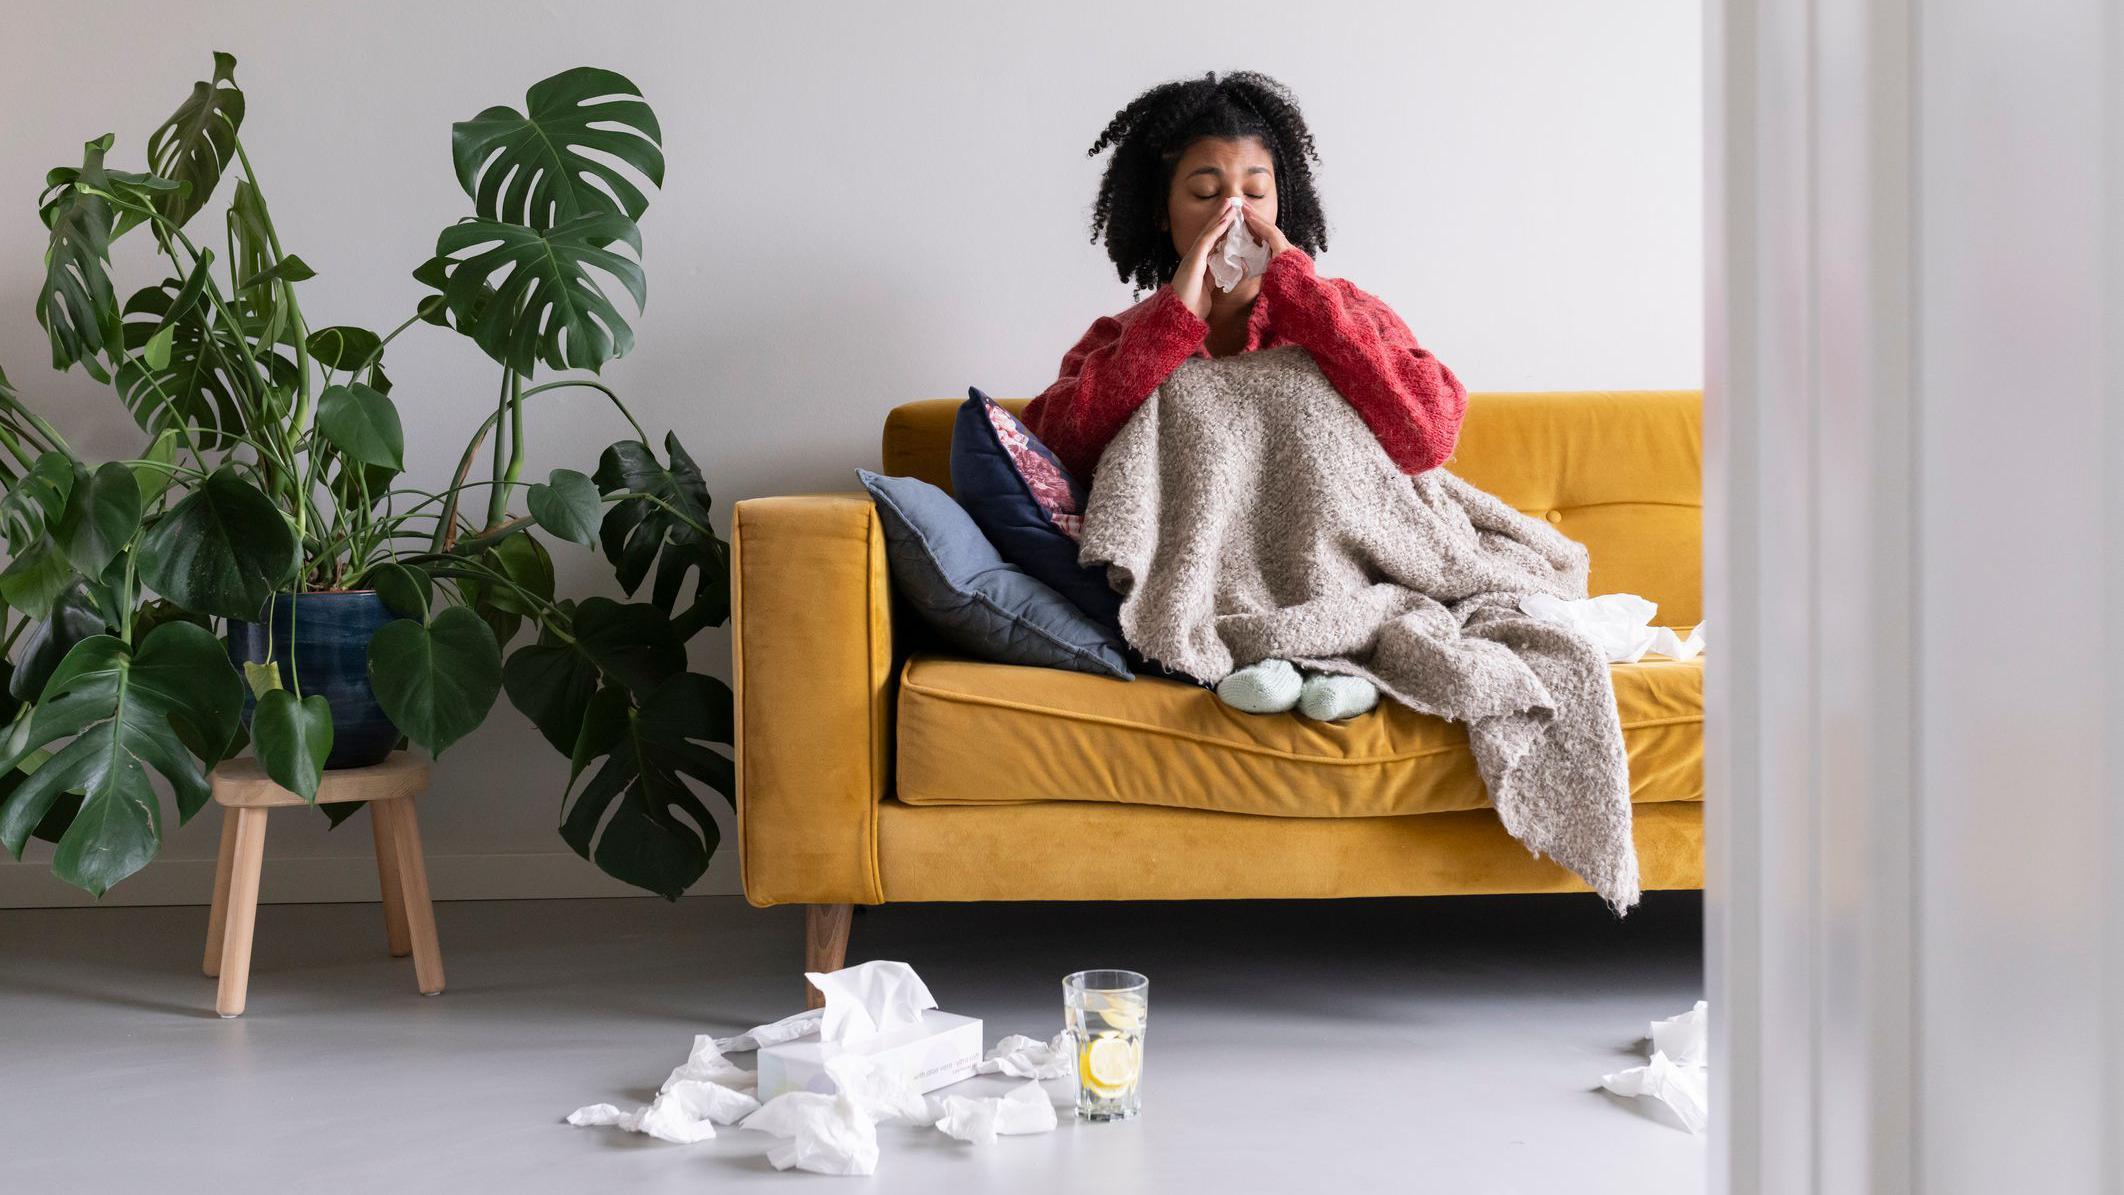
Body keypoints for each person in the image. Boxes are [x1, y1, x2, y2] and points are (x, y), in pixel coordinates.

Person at [1024, 71, 1470, 722]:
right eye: (1205, 191)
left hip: (1341, 559)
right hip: (1204, 575)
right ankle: (1271, 653)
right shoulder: (1124, 337)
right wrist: (1172, 323)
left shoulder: (1343, 311)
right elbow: (1061, 450)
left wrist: (1307, 299)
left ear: (1280, 203)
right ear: (1162, 212)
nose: (1234, 212)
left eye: (1255, 191)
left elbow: (1427, 433)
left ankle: (1344, 653)